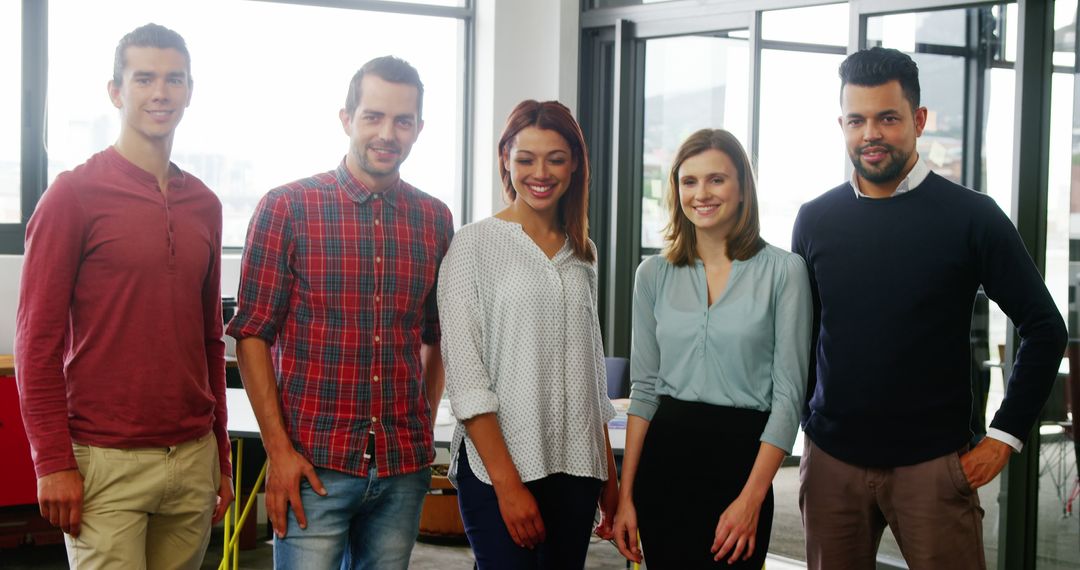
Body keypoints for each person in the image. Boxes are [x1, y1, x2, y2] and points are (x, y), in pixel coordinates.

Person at [792, 47, 1068, 569]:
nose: (870, 133)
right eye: (857, 120)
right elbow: (804, 335)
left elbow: (1044, 327)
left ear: (917, 120)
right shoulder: (814, 219)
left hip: (934, 467)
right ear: (842, 125)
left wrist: (1003, 437)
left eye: (887, 118)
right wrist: (809, 417)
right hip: (832, 465)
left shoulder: (972, 217)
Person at [15, 23, 232, 569]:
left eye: (174, 79)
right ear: (116, 92)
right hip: (104, 464)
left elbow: (210, 341)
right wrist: (51, 463)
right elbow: (35, 346)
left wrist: (221, 459)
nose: (161, 92)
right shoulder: (72, 196)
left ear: (190, 91)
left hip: (192, 460)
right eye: (144, 78)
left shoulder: (204, 204)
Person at [226, 55, 453, 570]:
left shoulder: (435, 219)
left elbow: (437, 335)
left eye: (402, 120)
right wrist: (278, 453)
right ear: (347, 118)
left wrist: (420, 421)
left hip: (402, 468)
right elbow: (252, 335)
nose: (387, 133)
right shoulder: (287, 208)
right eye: (373, 116)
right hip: (313, 467)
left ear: (419, 127)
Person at [612, 128, 812, 568]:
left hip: (742, 468)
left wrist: (751, 501)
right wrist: (625, 497)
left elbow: (788, 399)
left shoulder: (785, 272)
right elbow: (644, 392)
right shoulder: (653, 275)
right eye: (689, 181)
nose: (701, 193)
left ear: (742, 187)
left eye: (716, 179)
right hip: (665, 465)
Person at [437, 100, 619, 569]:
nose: (541, 172)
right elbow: (467, 381)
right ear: (505, 160)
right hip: (500, 468)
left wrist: (609, 477)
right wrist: (508, 485)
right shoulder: (471, 245)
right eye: (525, 159)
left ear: (575, 163)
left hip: (578, 470)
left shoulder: (584, 253)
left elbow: (591, 376)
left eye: (555, 158)